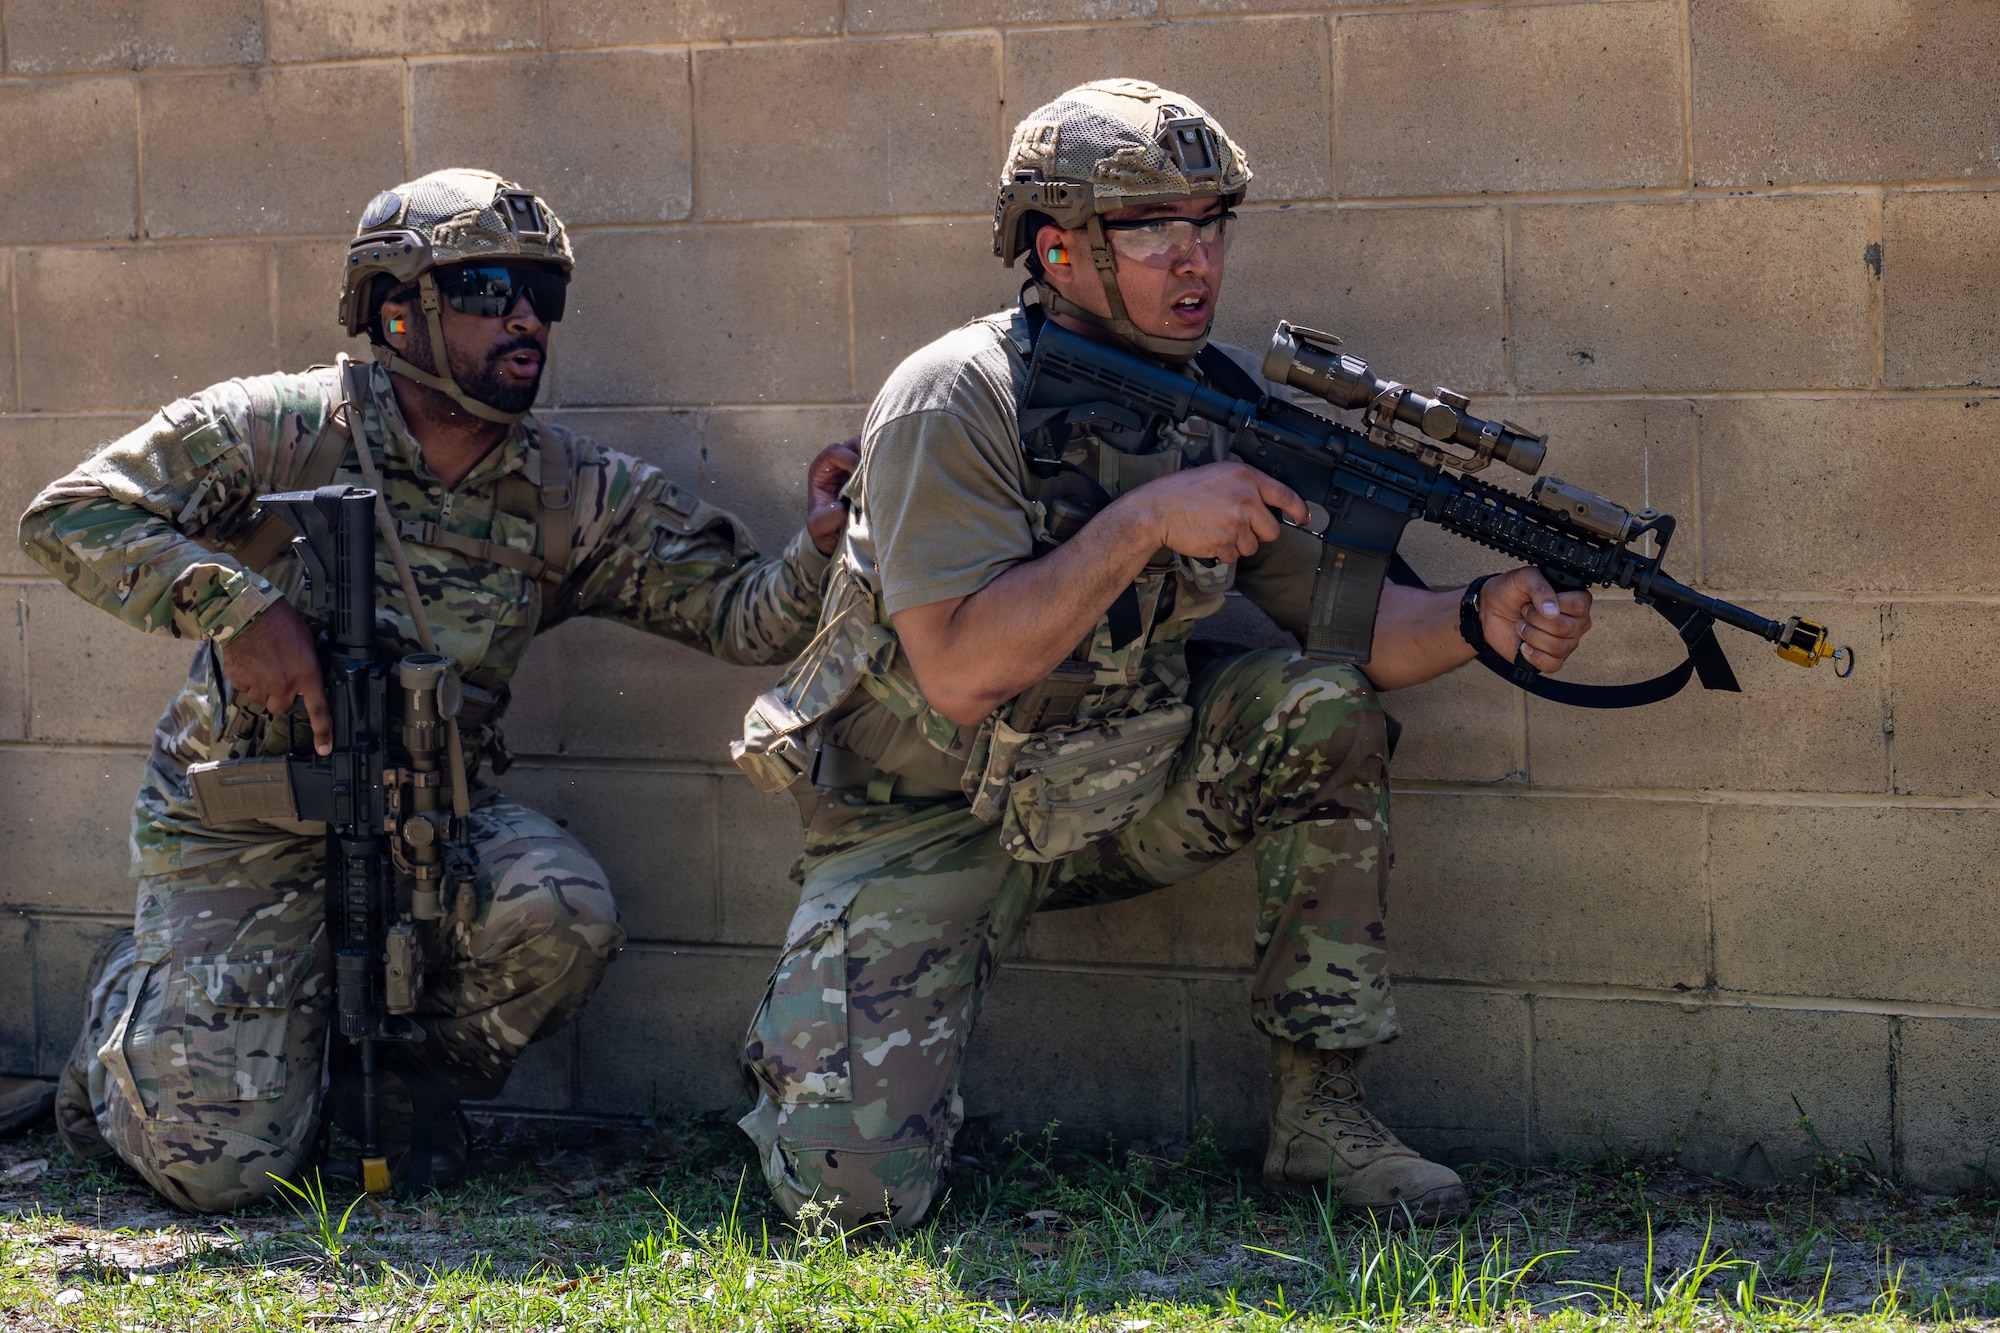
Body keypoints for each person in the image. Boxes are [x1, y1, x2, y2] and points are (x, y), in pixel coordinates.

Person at [729, 81, 1595, 1229]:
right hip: (927, 822)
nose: (1194, 261)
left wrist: (1485, 612)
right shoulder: (954, 398)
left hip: (1122, 787)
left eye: (1208, 223)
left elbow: (1352, 634)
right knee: (854, 1203)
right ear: (1057, 249)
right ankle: (829, 1072)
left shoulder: (1212, 402)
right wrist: (1142, 521)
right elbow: (959, 672)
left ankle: (1319, 1114)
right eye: (1150, 230)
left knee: (1317, 704)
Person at [19, 168, 855, 1214]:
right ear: (397, 312)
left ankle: (405, 1087)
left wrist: (824, 544)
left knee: (561, 915)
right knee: (215, 1170)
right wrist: (235, 606)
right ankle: (134, 1010)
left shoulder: (571, 491)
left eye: (539, 295)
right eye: (486, 288)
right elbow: (71, 514)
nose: (522, 318)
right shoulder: (280, 427)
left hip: (425, 819)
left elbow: (745, 614)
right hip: (246, 821)